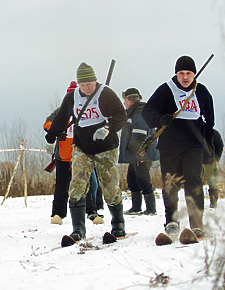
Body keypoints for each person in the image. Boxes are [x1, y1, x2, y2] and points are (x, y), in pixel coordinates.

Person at [45, 62, 127, 246]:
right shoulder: (72, 97)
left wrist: (108, 128)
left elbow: (121, 115)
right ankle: (78, 229)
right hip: (82, 148)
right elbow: (60, 119)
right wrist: (51, 137)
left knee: (110, 187)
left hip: (106, 148)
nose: (86, 88)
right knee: (76, 185)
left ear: (95, 81)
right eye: (83, 85)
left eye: (89, 84)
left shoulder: (106, 94)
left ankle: (118, 225)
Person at [142, 55, 215, 243]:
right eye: (181, 73)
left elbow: (209, 120)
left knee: (193, 181)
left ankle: (197, 223)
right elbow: (148, 111)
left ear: (194, 74)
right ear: (176, 74)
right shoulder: (166, 90)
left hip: (193, 146)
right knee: (171, 184)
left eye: (189, 73)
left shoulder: (203, 92)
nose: (185, 77)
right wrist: (160, 119)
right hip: (169, 146)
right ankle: (172, 220)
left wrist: (208, 143)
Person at [43, 81, 103, 225]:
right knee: (62, 186)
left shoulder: (88, 110)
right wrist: (58, 128)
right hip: (63, 154)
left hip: (83, 153)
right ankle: (58, 214)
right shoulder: (60, 111)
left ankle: (91, 212)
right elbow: (47, 124)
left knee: (86, 185)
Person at [119, 88, 159, 215]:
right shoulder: (133, 112)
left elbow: (140, 133)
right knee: (132, 179)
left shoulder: (139, 113)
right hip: (136, 155)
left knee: (143, 180)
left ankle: (151, 209)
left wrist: (132, 148)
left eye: (125, 99)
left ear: (130, 100)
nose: (124, 102)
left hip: (141, 154)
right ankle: (136, 207)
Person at [202, 129, 223, 208]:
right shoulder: (195, 131)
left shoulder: (214, 133)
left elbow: (220, 145)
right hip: (197, 161)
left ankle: (213, 202)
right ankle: (197, 203)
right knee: (196, 183)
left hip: (210, 162)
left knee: (212, 183)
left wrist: (216, 158)